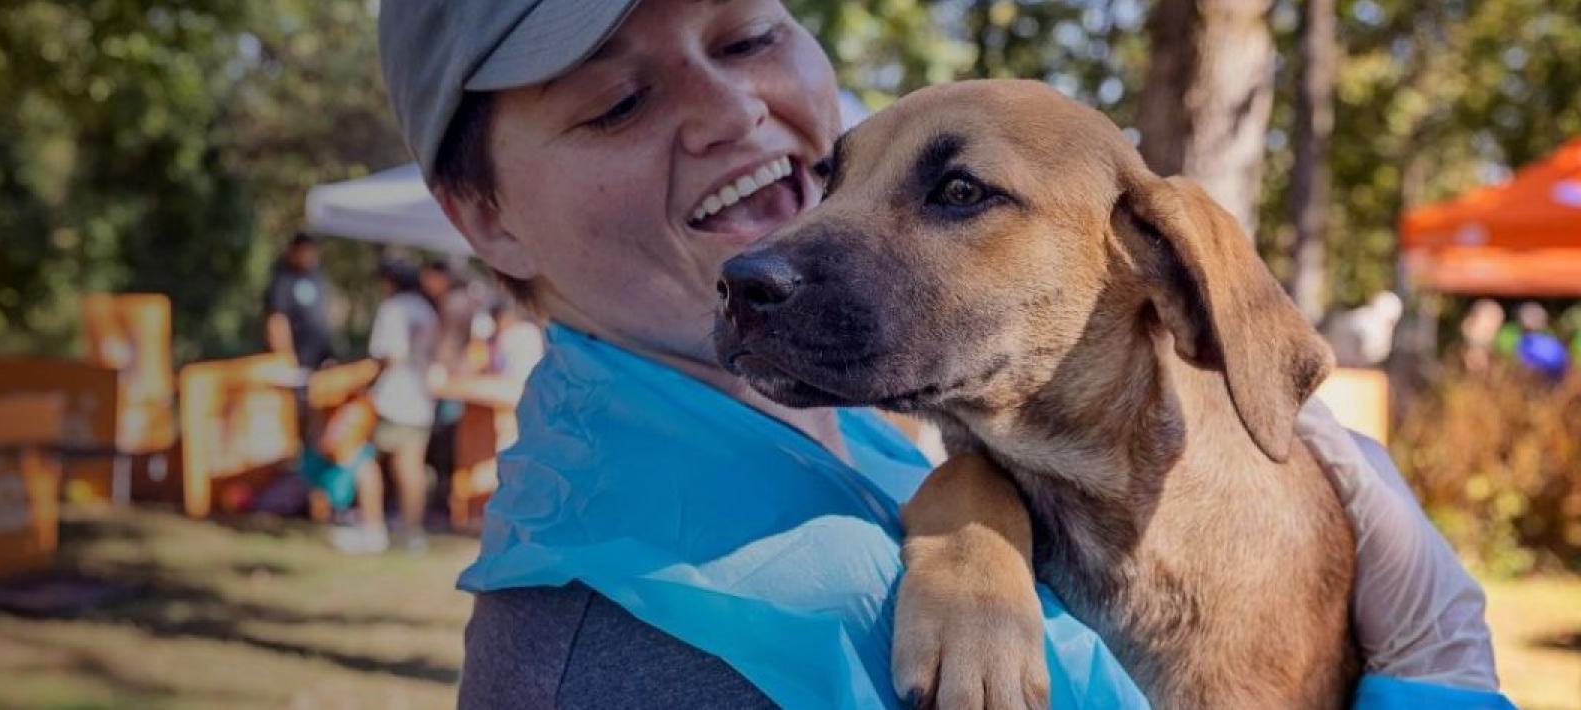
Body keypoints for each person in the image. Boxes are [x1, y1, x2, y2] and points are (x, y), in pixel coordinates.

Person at [379, 1, 1506, 708]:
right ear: (481, 212)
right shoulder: (635, 651)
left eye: (749, 36)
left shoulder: (861, 437)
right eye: (617, 100)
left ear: (1156, 267)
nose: (735, 114)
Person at [332, 259, 438, 554]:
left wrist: (361, 383)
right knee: (412, 467)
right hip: (421, 399)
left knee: (364, 459)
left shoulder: (393, 310)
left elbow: (388, 356)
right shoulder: (427, 310)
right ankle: (412, 531)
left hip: (392, 400)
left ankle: (372, 527)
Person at [264, 232, 337, 371]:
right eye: (305, 250)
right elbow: (277, 320)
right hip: (295, 363)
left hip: (320, 360)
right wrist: (285, 359)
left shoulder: (317, 276)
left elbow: (321, 319)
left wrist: (329, 355)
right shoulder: (282, 279)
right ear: (294, 251)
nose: (310, 255)